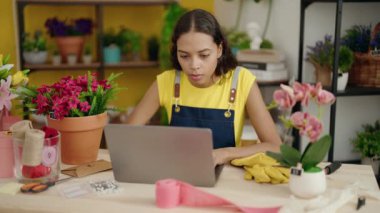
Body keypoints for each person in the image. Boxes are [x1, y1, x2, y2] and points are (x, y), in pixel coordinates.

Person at [127, 9, 281, 165]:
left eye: (204, 55)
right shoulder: (167, 81)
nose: (194, 65)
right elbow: (127, 135)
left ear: (219, 49)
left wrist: (226, 153)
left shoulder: (241, 80)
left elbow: (275, 147)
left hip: (226, 178)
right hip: (177, 172)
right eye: (184, 56)